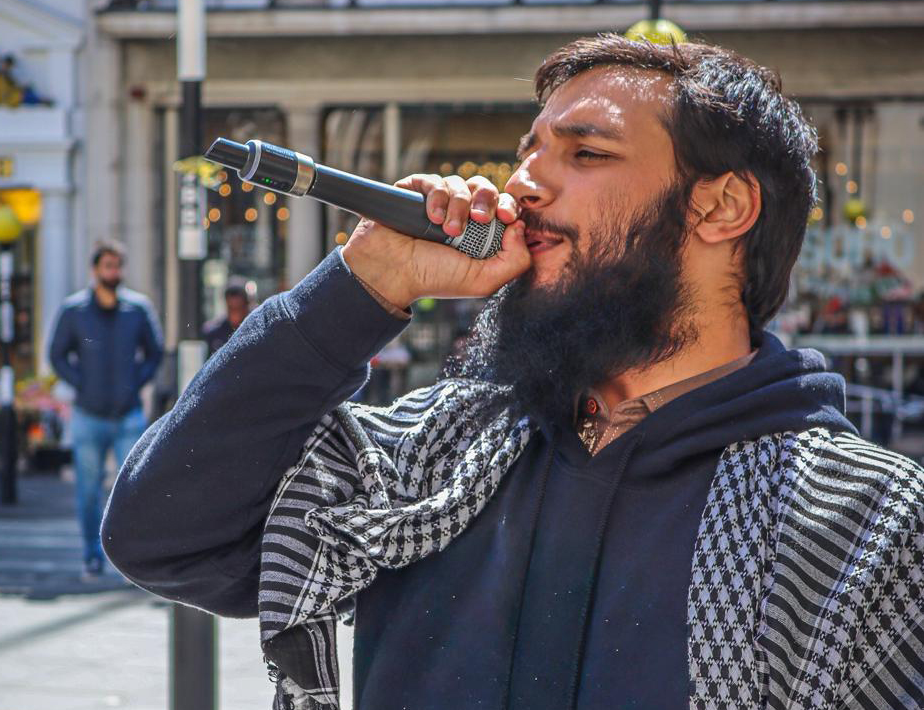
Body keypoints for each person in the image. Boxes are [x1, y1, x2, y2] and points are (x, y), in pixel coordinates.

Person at [101, 36, 924, 709]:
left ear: (721, 206)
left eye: (587, 152)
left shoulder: (865, 523)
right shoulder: (435, 457)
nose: (522, 183)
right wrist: (363, 287)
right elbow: (163, 537)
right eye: (527, 152)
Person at [49, 240, 162, 579]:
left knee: (133, 490)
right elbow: (56, 355)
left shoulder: (138, 309)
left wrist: (136, 383)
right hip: (88, 415)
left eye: (117, 266)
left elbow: (154, 353)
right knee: (88, 491)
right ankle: (91, 555)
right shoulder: (74, 310)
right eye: (107, 266)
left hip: (128, 414)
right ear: (95, 270)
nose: (113, 272)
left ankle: (132, 561)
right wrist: (81, 383)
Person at [200, 280, 252, 355]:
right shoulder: (213, 332)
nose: (235, 303)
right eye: (232, 308)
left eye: (238, 308)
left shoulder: (254, 329)